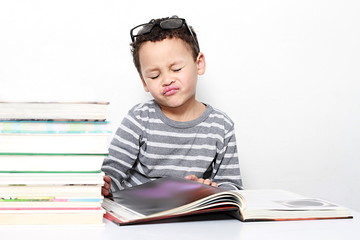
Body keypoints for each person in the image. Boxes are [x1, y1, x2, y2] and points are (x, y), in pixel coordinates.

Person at [101, 16, 242, 197]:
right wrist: (104, 184)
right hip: (137, 212)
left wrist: (209, 189)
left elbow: (232, 186)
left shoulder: (221, 126)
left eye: (176, 69)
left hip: (189, 217)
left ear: (198, 64)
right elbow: (112, 170)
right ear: (144, 82)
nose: (167, 80)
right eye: (154, 75)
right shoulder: (140, 118)